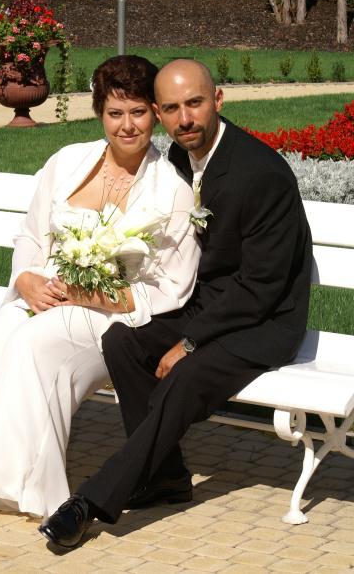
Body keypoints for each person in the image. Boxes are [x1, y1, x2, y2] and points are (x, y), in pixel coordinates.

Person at [39, 59, 313, 549]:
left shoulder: (261, 174)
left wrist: (189, 342)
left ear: (218, 100)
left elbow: (261, 288)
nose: (184, 119)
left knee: (184, 377)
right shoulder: (182, 159)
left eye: (195, 103)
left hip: (263, 323)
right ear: (159, 113)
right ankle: (164, 478)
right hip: (210, 306)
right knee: (122, 341)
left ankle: (92, 501)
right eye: (171, 108)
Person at [0, 55, 200, 531]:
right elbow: (30, 236)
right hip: (46, 294)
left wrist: (90, 296)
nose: (127, 126)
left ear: (154, 113)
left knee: (31, 343)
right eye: (115, 113)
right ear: (99, 112)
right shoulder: (67, 161)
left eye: (138, 112)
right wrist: (26, 279)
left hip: (109, 317)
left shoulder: (172, 190)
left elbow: (171, 288)